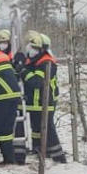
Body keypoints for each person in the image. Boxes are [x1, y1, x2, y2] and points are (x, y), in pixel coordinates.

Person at [20, 30, 67, 163]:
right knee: (36, 128)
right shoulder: (34, 61)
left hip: (45, 102)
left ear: (42, 49)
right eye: (31, 46)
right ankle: (39, 150)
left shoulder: (47, 63)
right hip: (35, 103)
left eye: (35, 47)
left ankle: (59, 157)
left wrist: (23, 71)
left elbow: (36, 83)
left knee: (48, 130)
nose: (31, 49)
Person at [0, 29, 29, 164]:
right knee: (6, 131)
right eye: (1, 42)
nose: (3, 45)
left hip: (1, 97)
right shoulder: (4, 57)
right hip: (14, 95)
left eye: (5, 42)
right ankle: (10, 159)